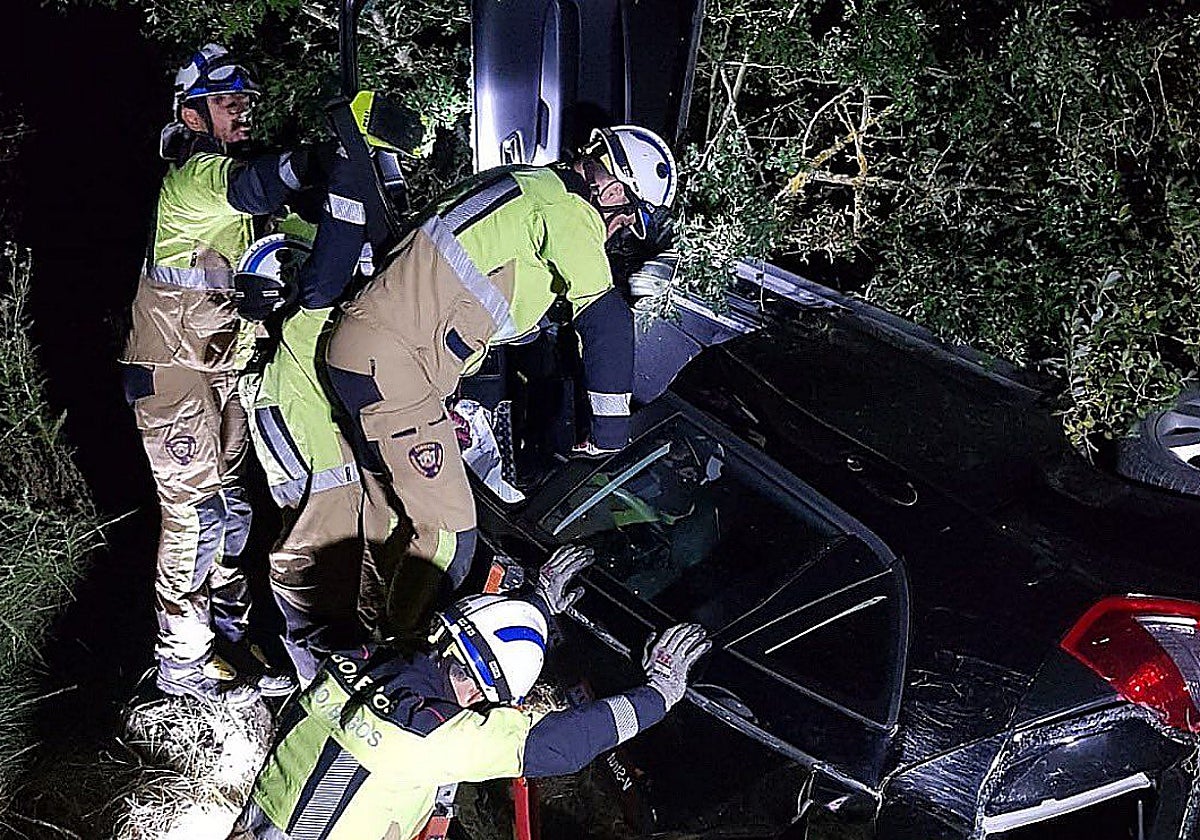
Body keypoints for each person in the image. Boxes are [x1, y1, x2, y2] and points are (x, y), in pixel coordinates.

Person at [324, 125, 678, 619]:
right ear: (613, 190)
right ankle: (397, 663)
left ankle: (359, 630)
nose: (618, 231)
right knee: (449, 539)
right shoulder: (568, 210)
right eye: (627, 219)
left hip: (372, 354)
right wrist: (609, 432)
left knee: (390, 517)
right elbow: (607, 318)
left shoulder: (524, 182)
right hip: (394, 363)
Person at [229, 544, 711, 840]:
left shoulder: (374, 657)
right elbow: (557, 746)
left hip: (264, 820)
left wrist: (535, 607)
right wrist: (660, 695)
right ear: (485, 691)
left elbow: (480, 639)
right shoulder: (428, 738)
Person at [121, 44, 318, 705]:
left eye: (245, 103)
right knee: (197, 518)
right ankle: (182, 662)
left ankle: (229, 639)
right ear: (192, 112)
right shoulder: (195, 177)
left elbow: (282, 232)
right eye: (230, 101)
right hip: (174, 378)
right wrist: (315, 157)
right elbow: (259, 183)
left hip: (219, 377)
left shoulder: (235, 193)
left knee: (231, 513)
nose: (243, 113)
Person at [240, 101, 417, 686]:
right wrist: (351, 161)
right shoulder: (300, 327)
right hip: (318, 524)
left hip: (322, 517)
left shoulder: (288, 345)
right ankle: (319, 703)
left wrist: (377, 172)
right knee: (336, 675)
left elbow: (368, 256)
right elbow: (337, 263)